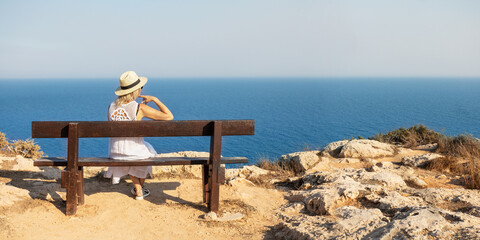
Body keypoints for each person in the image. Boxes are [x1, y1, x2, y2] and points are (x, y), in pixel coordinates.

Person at [106, 71, 174, 200]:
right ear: (136, 90)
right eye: (140, 88)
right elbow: (169, 116)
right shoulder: (139, 108)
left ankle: (138, 189)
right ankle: (138, 189)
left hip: (115, 153)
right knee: (147, 152)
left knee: (144, 149)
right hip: (133, 153)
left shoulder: (111, 107)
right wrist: (155, 99)